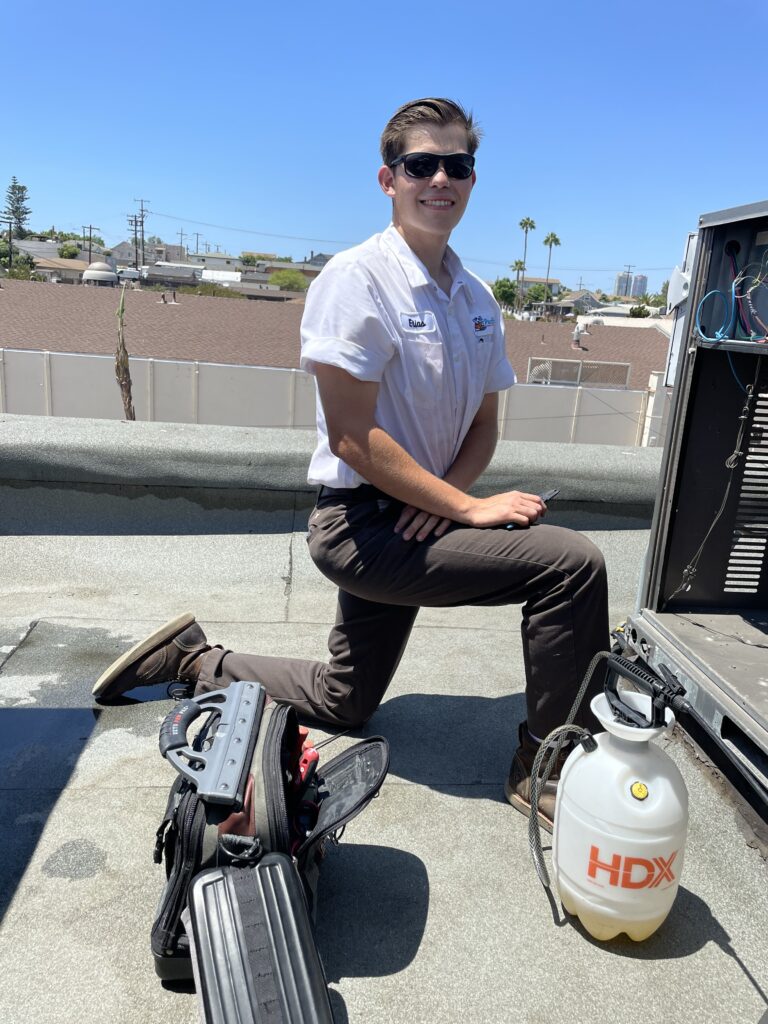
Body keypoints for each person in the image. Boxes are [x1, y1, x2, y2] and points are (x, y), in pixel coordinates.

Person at [93, 98, 609, 831]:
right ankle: (547, 763)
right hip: (359, 526)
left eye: (457, 165)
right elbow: (351, 438)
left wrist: (446, 498)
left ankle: (194, 661)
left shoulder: (478, 298)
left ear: (471, 177)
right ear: (388, 179)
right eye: (420, 164)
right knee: (571, 566)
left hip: (415, 516)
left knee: (347, 703)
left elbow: (486, 425)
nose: (441, 178)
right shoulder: (358, 279)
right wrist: (465, 509)